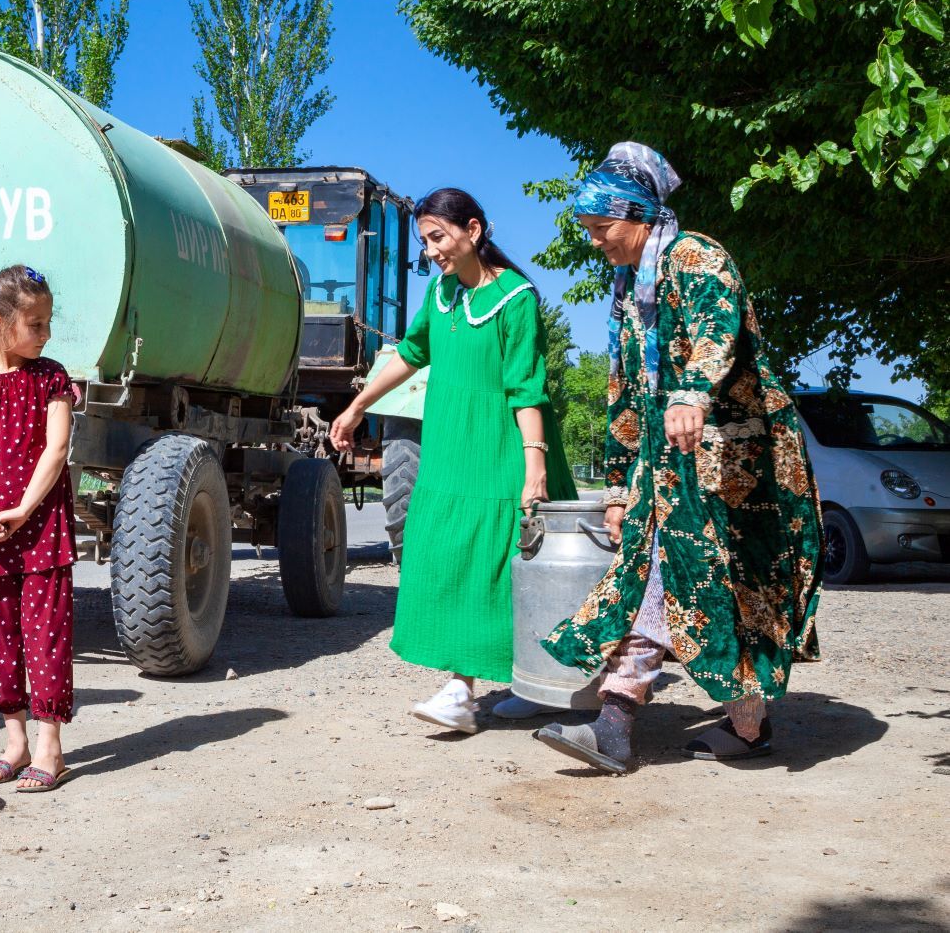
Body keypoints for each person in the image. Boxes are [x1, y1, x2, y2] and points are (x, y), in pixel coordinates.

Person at [534, 142, 822, 774]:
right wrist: (615, 488)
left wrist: (692, 390)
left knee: (726, 584)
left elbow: (719, 329)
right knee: (681, 579)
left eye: (602, 228)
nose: (596, 241)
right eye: (588, 231)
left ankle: (618, 721)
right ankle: (739, 729)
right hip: (674, 464)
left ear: (637, 215)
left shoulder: (695, 256)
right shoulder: (629, 290)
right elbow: (626, 393)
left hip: (740, 460)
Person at [331, 188, 577, 734]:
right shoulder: (442, 294)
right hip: (448, 448)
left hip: (500, 450)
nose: (432, 250)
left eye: (438, 237)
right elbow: (410, 353)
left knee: (498, 565)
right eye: (425, 241)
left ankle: (469, 690)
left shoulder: (516, 298)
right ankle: (519, 681)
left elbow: (526, 388)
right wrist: (355, 407)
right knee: (441, 552)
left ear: (473, 230)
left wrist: (534, 466)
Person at [0, 265, 78, 792]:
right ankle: (15, 741)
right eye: (36, 324)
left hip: (41, 523)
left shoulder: (51, 377)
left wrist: (24, 509)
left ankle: (50, 746)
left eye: (48, 322)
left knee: (46, 636)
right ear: (1, 324)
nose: (45, 333)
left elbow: (58, 447)